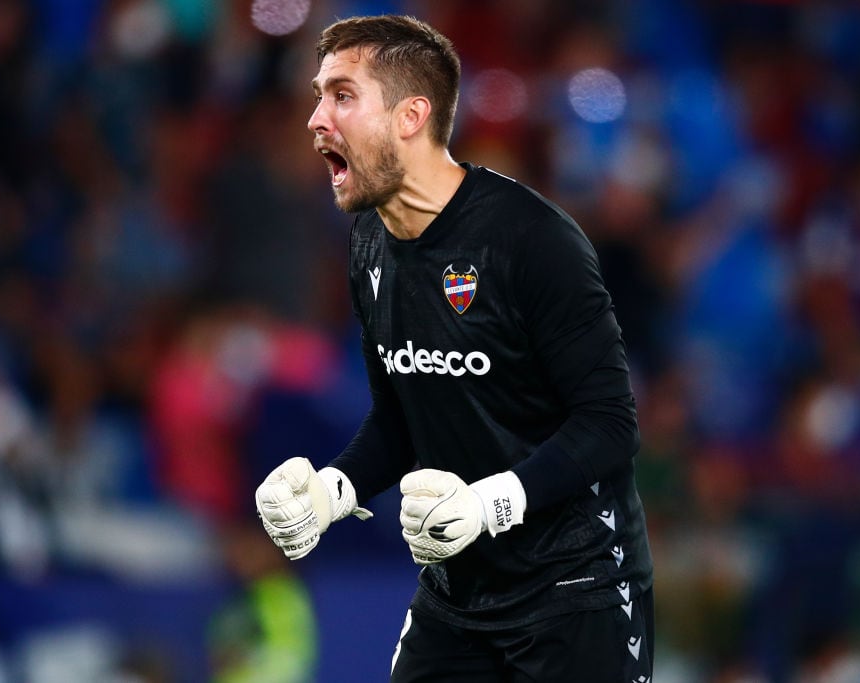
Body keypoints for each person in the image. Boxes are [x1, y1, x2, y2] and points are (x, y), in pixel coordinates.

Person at [255, 14, 654, 682]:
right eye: (319, 95)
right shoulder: (370, 245)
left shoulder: (533, 240)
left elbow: (611, 425)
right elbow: (401, 417)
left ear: (411, 116)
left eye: (342, 95)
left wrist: (490, 501)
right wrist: (334, 488)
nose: (316, 119)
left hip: (576, 591)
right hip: (457, 598)